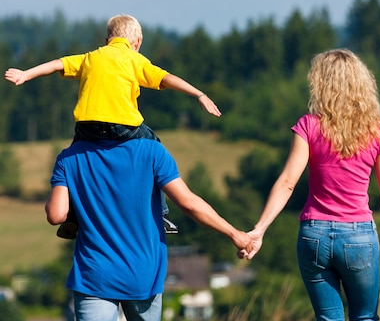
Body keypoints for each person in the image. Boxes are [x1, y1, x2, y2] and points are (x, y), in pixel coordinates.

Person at [241, 48, 380, 321]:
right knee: (365, 315)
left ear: (320, 84)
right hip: (359, 238)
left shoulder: (309, 125)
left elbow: (288, 182)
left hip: (314, 236)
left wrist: (259, 228)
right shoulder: (376, 129)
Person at [45, 135, 252, 321]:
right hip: (142, 271)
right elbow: (189, 203)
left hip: (95, 273)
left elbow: (56, 215)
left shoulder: (69, 156)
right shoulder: (152, 151)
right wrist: (235, 234)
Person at [5, 14, 221, 237]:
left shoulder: (91, 57)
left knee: (75, 156)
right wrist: (199, 94)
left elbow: (57, 63)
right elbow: (166, 78)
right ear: (136, 43)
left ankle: (71, 216)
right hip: (123, 127)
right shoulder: (134, 59)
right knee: (154, 145)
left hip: (87, 127)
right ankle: (162, 212)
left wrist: (26, 74)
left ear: (108, 38)